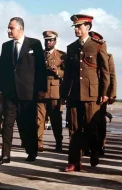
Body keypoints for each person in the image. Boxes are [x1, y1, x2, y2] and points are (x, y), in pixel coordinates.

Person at [61, 14, 110, 172]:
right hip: (74, 94)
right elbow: (67, 75)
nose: (76, 29)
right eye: (75, 27)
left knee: (91, 127)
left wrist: (104, 93)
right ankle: (74, 162)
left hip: (92, 93)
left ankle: (95, 150)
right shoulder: (71, 47)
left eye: (79, 26)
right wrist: (63, 95)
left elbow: (105, 72)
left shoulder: (97, 45)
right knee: (73, 129)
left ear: (87, 27)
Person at [0, 17, 47, 165]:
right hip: (10, 93)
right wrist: (0, 90)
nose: (9, 31)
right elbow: (3, 71)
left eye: (11, 28)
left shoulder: (34, 44)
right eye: (8, 28)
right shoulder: (6, 46)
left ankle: (32, 151)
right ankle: (5, 155)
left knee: (28, 124)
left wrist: (42, 89)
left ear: (21, 29)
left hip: (28, 93)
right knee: (7, 124)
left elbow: (40, 69)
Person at [37, 31, 66, 152]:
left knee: (56, 120)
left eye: (50, 40)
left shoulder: (61, 56)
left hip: (55, 93)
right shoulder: (38, 55)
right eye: (46, 40)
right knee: (38, 119)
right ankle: (38, 143)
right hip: (40, 92)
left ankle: (58, 142)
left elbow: (68, 74)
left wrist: (57, 72)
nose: (48, 42)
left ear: (55, 41)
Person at [89, 31, 117, 156]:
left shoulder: (108, 57)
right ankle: (89, 146)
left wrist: (111, 95)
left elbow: (111, 77)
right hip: (89, 91)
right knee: (88, 121)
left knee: (100, 121)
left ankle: (101, 144)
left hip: (102, 93)